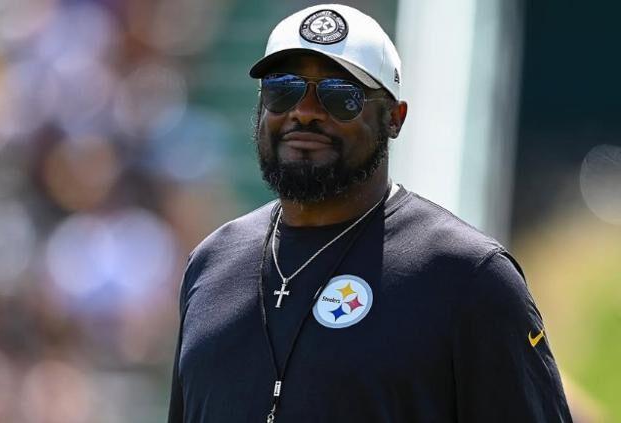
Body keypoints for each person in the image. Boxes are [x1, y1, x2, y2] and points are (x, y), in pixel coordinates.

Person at [167, 4, 572, 422]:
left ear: (394, 118)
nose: (304, 111)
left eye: (339, 95)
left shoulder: (468, 276)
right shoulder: (211, 264)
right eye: (282, 89)